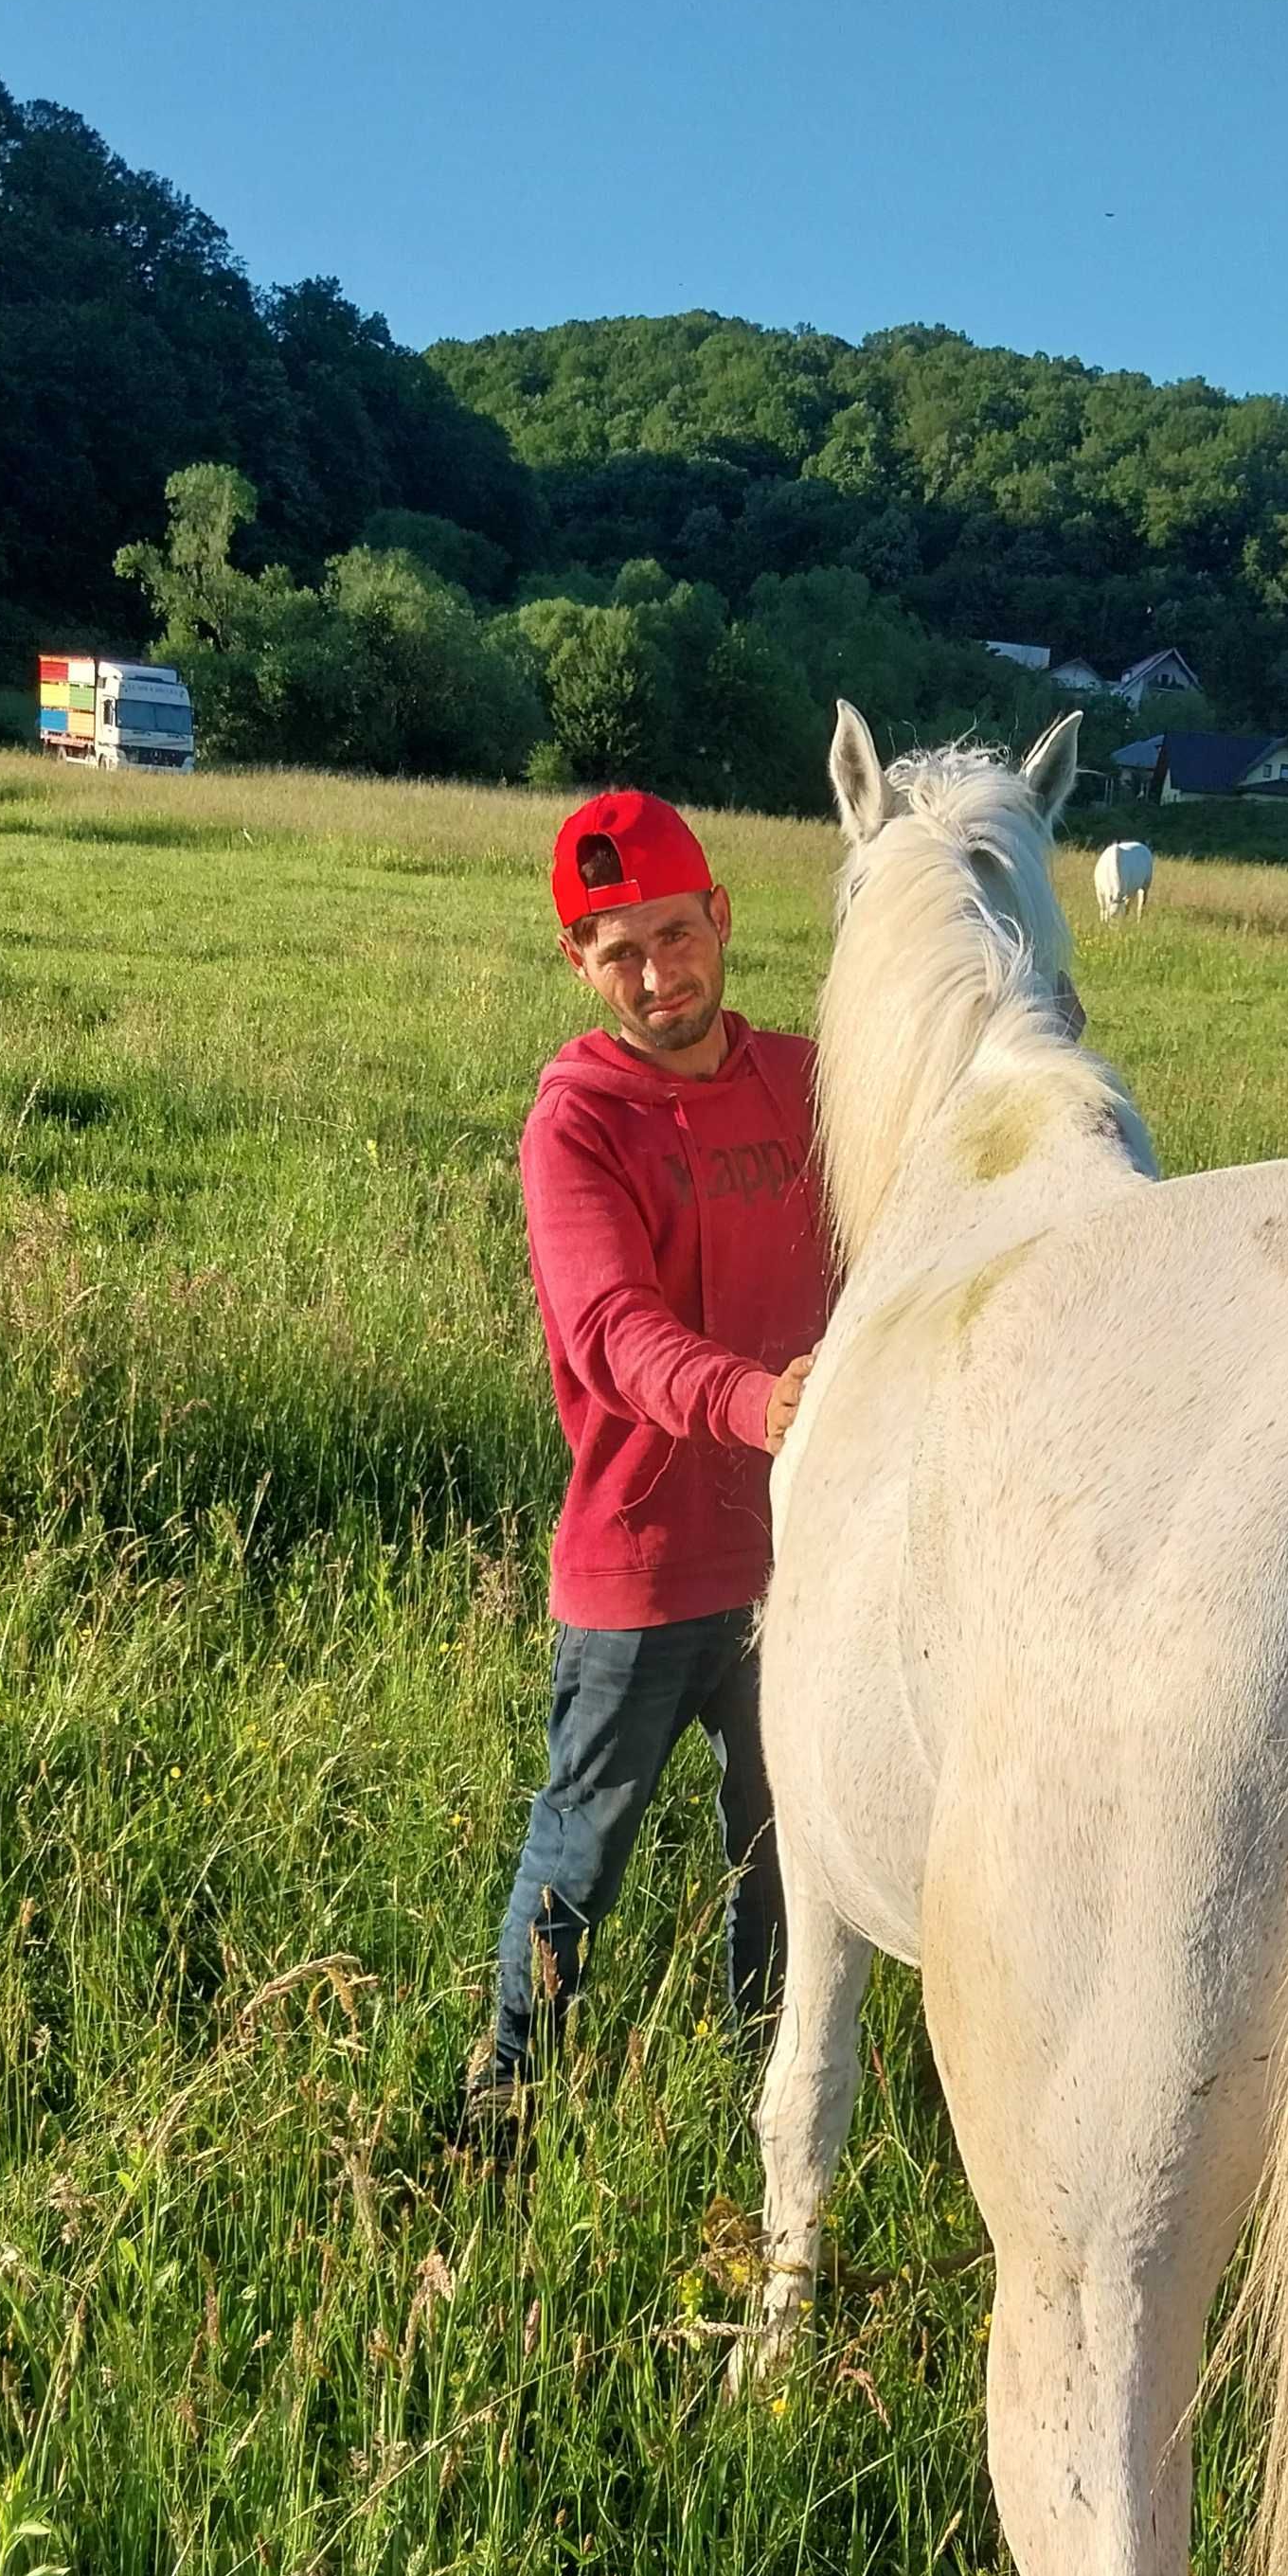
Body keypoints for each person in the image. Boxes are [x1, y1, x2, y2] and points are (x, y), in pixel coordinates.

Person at [465, 788, 831, 2141]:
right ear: (577, 959)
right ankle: (503, 2108)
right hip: (642, 1564)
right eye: (617, 950)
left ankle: (768, 2099)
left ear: (723, 918)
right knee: (579, 1852)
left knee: (786, 1852)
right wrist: (760, 1404)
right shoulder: (578, 1123)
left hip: (803, 1553)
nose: (657, 975)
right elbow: (614, 1335)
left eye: (675, 935)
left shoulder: (804, 1081)